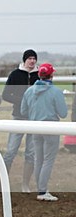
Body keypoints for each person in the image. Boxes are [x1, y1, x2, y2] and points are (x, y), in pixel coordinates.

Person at [20, 63, 67, 202]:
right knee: (48, 160)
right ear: (51, 75)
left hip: (35, 128)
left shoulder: (29, 91)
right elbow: (63, 113)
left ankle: (41, 189)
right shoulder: (56, 92)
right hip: (51, 128)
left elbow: (23, 111)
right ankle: (42, 190)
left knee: (38, 159)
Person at [0, 49, 39, 193]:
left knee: (31, 154)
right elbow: (6, 94)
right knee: (10, 152)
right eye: (30, 58)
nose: (32, 61)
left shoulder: (39, 76)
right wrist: (22, 102)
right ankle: (0, 184)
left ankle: (25, 185)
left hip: (34, 120)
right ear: (25, 60)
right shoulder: (15, 75)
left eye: (34, 58)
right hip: (18, 117)